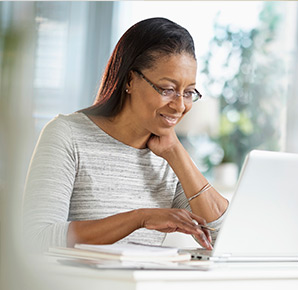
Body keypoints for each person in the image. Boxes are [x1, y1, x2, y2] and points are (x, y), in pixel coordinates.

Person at [22, 17, 228, 253]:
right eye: (168, 89)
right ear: (130, 80)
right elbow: (37, 237)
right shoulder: (67, 135)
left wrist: (176, 153)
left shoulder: (168, 158)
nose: (180, 106)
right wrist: (139, 218)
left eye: (189, 92)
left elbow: (222, 237)